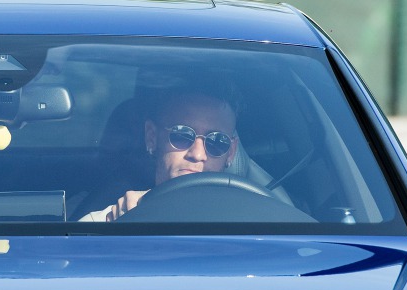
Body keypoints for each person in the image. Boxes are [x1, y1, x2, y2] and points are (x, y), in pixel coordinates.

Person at [81, 88, 282, 221]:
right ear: (152, 137)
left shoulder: (262, 226)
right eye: (181, 135)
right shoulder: (105, 223)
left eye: (216, 142)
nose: (197, 154)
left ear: (231, 152)